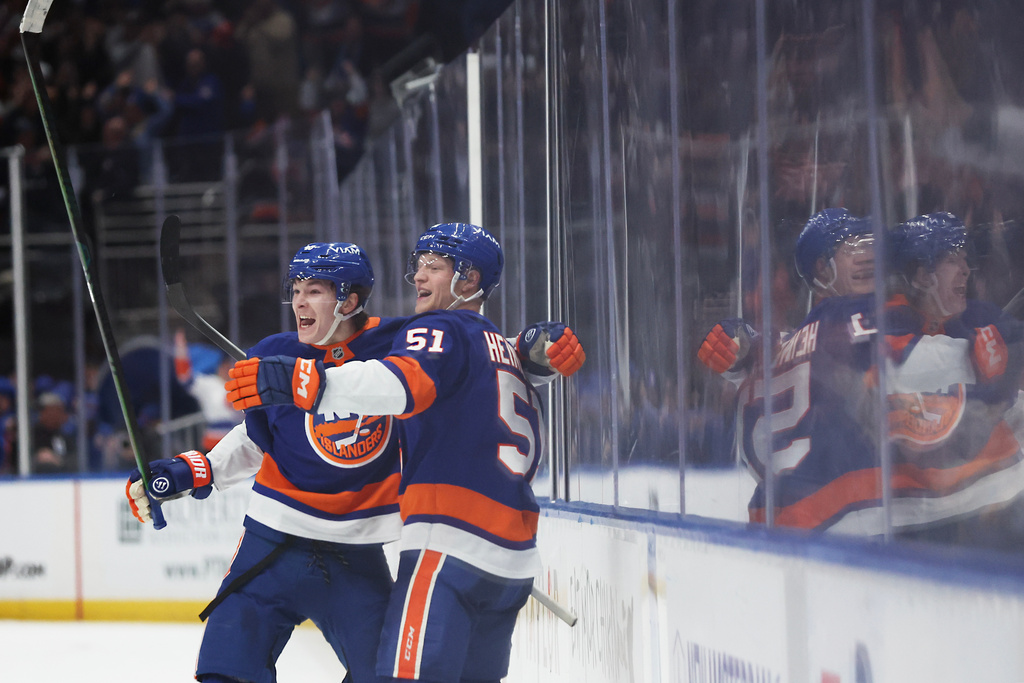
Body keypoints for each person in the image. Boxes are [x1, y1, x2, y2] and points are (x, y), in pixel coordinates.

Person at [127, 239, 583, 683]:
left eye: (315, 291)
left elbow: (471, 352)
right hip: (271, 547)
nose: (299, 302)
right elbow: (262, 434)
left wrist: (531, 349)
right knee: (227, 667)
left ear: (350, 300)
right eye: (296, 290)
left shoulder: (398, 341)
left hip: (354, 558)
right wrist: (193, 470)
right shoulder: (274, 352)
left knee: (385, 674)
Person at [699, 208, 886, 531]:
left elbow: (746, 346)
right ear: (822, 269)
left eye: (868, 246)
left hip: (781, 522)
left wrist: (738, 342)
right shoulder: (848, 324)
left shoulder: (785, 346)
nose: (867, 257)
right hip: (851, 520)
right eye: (853, 249)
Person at [884, 212, 1024, 549]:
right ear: (920, 275)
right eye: (951, 260)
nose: (965, 269)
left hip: (994, 502)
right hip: (919, 518)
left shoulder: (981, 316)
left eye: (964, 260)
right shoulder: (885, 325)